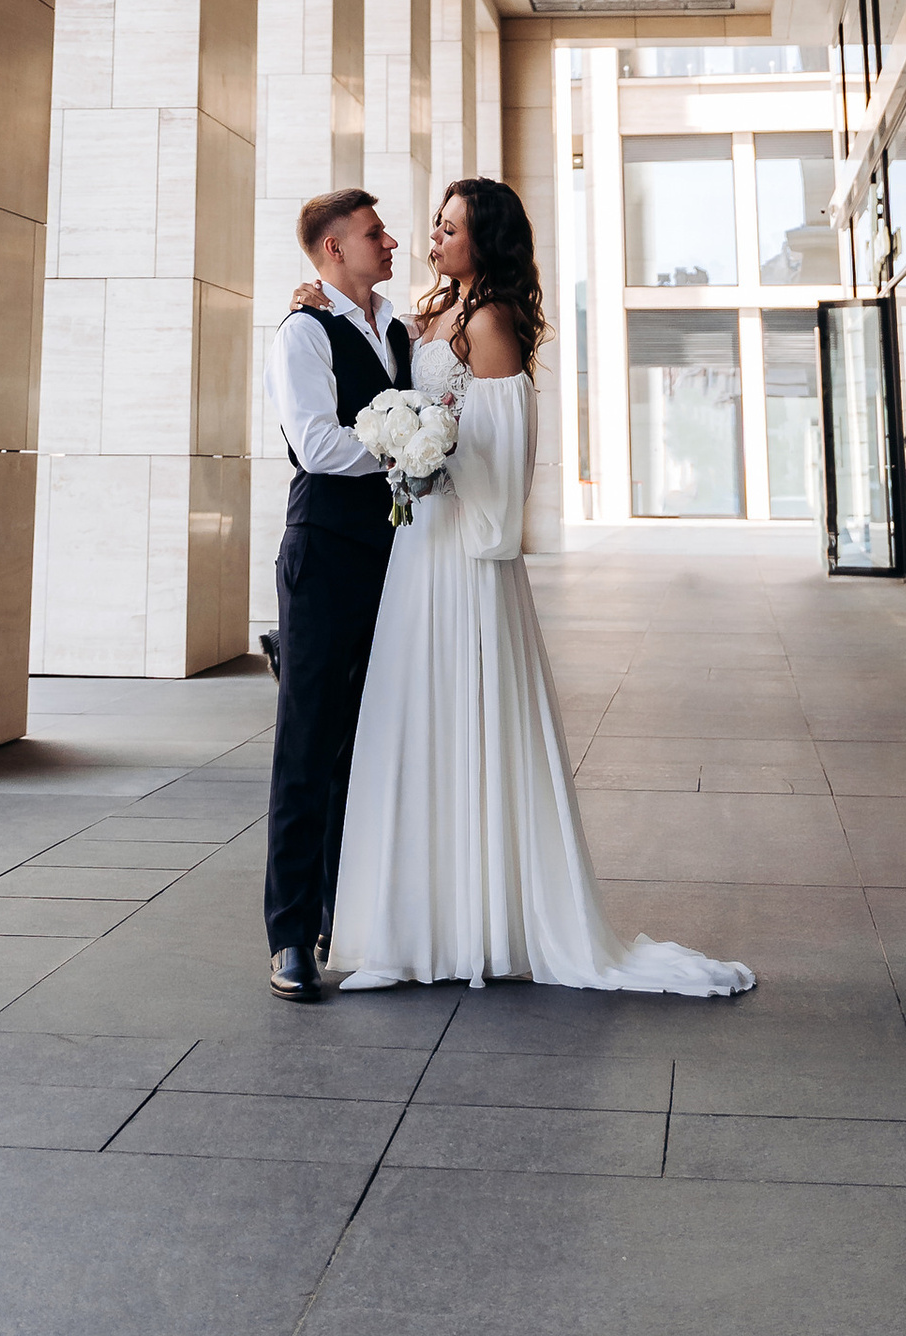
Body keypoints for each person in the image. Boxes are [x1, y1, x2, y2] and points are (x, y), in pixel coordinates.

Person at [301, 176, 753, 998]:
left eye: (448, 226)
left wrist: (425, 454)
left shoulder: (493, 322)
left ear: (487, 241)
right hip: (418, 552)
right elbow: (377, 356)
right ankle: (414, 925)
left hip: (463, 557)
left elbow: (504, 460)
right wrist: (327, 305)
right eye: (431, 223)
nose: (430, 235)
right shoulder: (430, 313)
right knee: (413, 721)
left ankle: (475, 924)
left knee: (461, 719)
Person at [260, 188, 411, 1004]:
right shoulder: (301, 332)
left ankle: (341, 912)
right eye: (372, 234)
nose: (389, 242)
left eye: (386, 231)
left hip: (397, 554)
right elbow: (317, 445)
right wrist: (401, 445)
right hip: (323, 551)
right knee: (308, 741)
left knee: (369, 739)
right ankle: (289, 934)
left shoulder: (399, 326)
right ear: (330, 251)